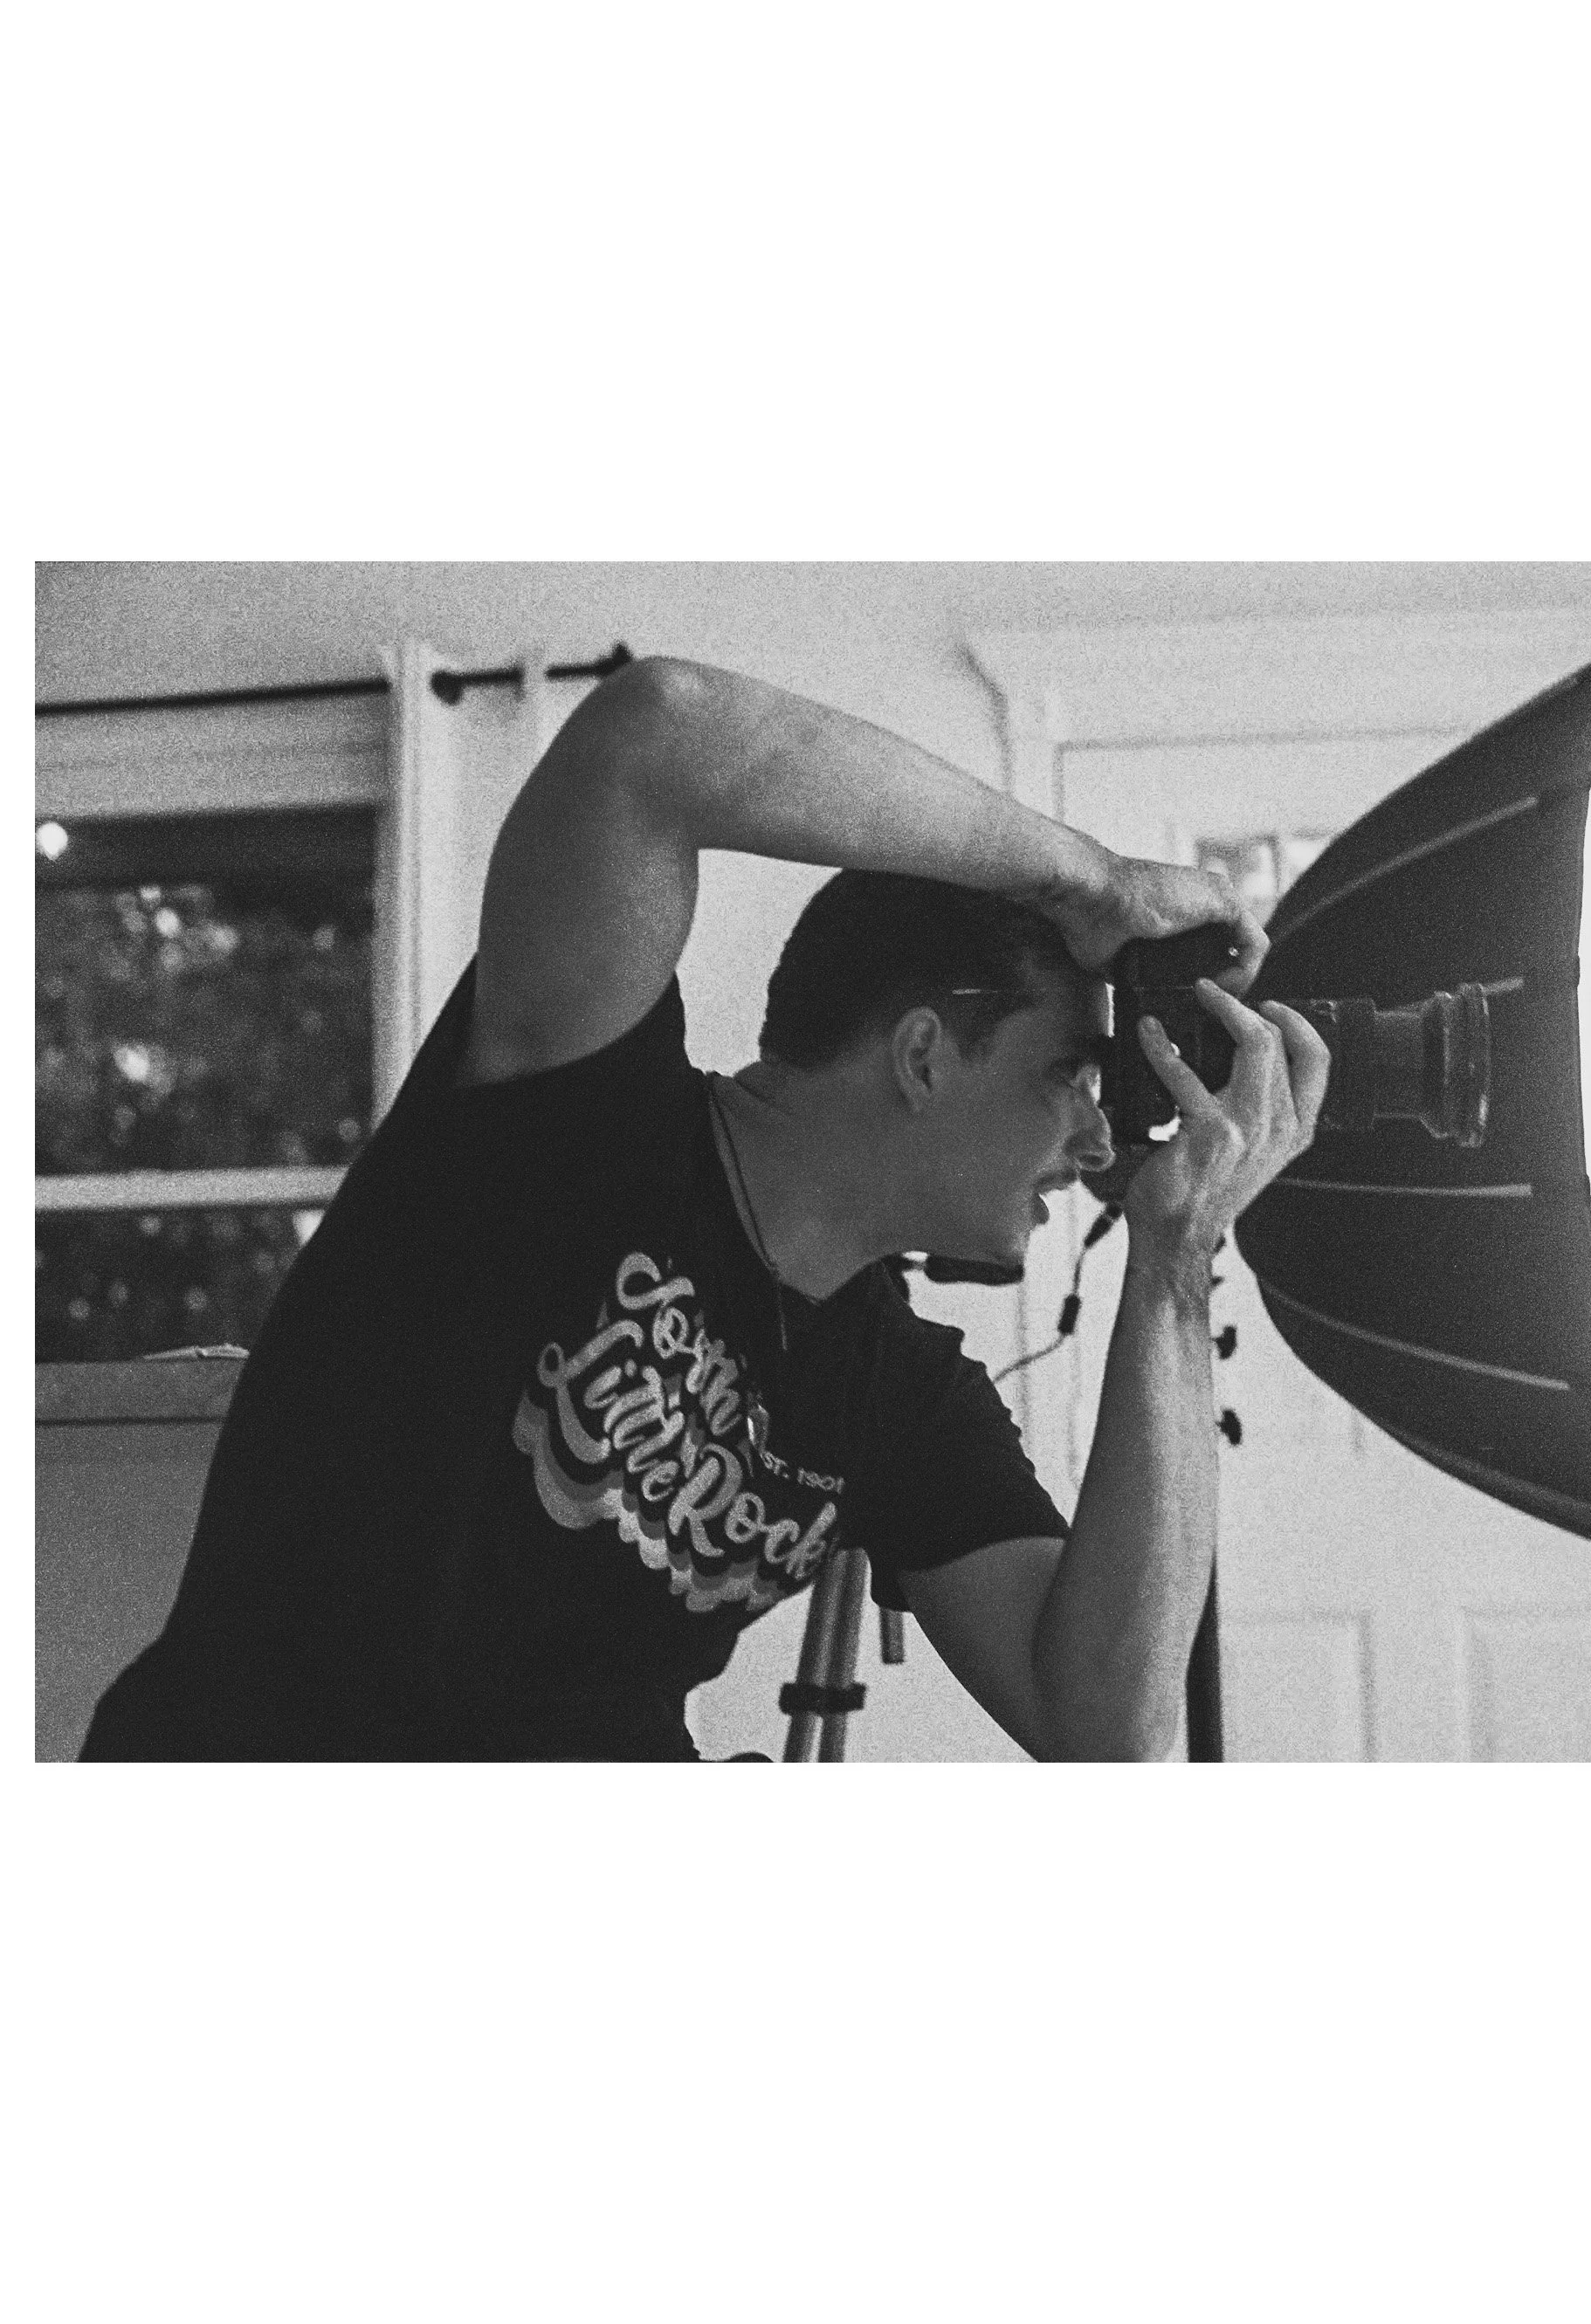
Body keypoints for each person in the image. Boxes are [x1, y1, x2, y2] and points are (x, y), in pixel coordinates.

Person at [81, 657, 1329, 1762]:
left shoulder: (897, 1397)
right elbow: (657, 733)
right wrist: (1091, 883)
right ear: (924, 1054)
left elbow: (1108, 1730)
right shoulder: (578, 1104)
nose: (1101, 1139)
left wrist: (1178, 1250)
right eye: (1066, 1075)